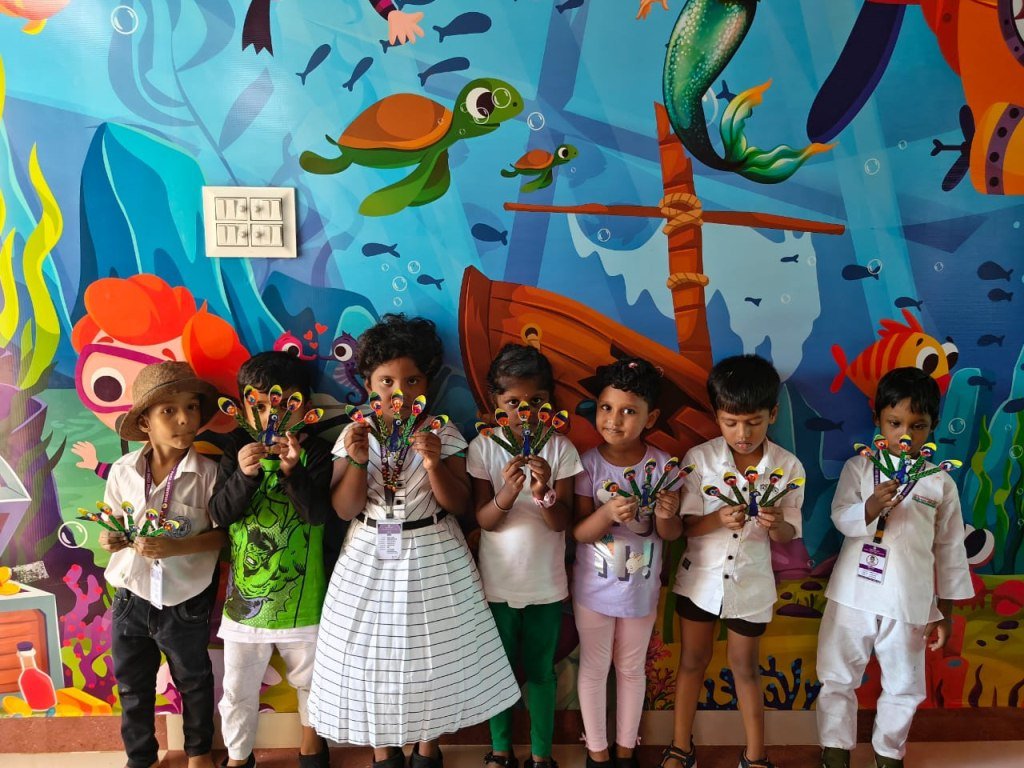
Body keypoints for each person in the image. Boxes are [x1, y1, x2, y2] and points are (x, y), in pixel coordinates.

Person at [307, 314, 520, 768]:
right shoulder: (355, 433)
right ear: (368, 384)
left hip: (433, 551)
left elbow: (458, 503)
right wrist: (358, 461)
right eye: (386, 381)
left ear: (427, 383)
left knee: (432, 653)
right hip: (367, 552)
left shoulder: (442, 432)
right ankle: (383, 751)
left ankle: (427, 746)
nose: (398, 392)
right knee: (369, 657)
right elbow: (344, 509)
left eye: (411, 381)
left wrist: (434, 464)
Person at [817, 367, 973, 768]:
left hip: (909, 600)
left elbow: (950, 549)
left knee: (905, 684)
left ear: (933, 425)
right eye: (895, 423)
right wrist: (870, 506)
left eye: (917, 426)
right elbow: (841, 518)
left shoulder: (940, 482)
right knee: (837, 675)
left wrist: (945, 610)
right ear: (878, 420)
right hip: (852, 594)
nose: (906, 435)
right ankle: (835, 749)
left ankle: (888, 753)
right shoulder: (860, 468)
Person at [663, 355, 803, 768]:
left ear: (772, 414)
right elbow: (687, 528)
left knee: (745, 668)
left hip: (750, 585)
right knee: (692, 662)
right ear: (717, 416)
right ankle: (680, 747)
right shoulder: (699, 460)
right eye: (731, 422)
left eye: (754, 422)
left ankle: (755, 755)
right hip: (699, 582)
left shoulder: (787, 466)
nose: (743, 434)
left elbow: (789, 533)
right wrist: (717, 519)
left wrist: (777, 525)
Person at [98, 361, 226, 768]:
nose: (184, 418)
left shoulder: (209, 475)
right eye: (168, 410)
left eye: (191, 407)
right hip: (130, 597)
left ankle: (199, 753)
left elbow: (224, 537)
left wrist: (177, 547)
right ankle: (141, 758)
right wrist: (110, 539)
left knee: (195, 681)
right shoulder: (122, 471)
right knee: (132, 686)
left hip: (184, 599)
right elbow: (113, 524)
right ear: (145, 422)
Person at [209, 352, 333, 768]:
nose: (270, 417)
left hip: (304, 601)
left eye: (283, 405)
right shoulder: (235, 449)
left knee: (312, 683)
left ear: (304, 405)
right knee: (237, 689)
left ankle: (312, 746)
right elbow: (220, 514)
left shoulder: (317, 452)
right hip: (244, 607)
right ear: (243, 408)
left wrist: (293, 471)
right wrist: (244, 475)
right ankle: (238, 756)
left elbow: (318, 515)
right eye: (259, 406)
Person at [467, 343, 583, 768]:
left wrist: (542, 492)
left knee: (540, 672)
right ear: (494, 404)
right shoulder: (483, 448)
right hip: (497, 586)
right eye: (513, 402)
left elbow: (561, 523)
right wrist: (507, 493)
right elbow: (484, 520)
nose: (525, 411)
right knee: (498, 671)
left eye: (536, 401)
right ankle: (501, 751)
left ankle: (541, 754)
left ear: (549, 402)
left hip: (546, 586)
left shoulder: (560, 449)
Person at [572, 358, 683, 768]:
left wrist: (667, 513)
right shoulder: (588, 463)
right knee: (594, 668)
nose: (614, 420)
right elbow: (579, 532)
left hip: (641, 591)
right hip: (592, 593)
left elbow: (671, 534)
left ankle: (625, 751)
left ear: (650, 418)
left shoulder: (665, 467)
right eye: (606, 407)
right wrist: (606, 514)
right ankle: (597, 753)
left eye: (628, 411)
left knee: (633, 670)